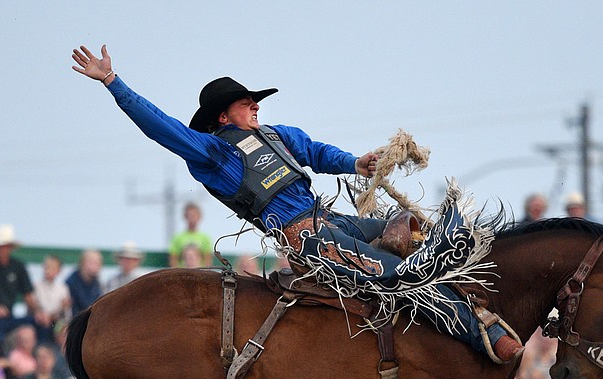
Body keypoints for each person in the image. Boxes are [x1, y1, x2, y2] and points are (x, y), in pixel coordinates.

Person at [70, 45, 522, 363]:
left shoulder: (277, 136)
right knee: (394, 273)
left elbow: (316, 152)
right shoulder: (215, 153)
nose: (254, 108)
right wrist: (113, 81)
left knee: (415, 230)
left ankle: (480, 300)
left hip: (333, 220)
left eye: (253, 103)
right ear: (223, 116)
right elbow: (162, 127)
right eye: (245, 104)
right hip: (305, 241)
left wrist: (356, 163)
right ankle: (482, 335)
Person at [31, 254, 71, 341]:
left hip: (56, 322)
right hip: (39, 322)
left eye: (52, 267)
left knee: (63, 329)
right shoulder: (36, 286)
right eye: (46, 267)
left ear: (58, 270)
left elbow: (65, 313)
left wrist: (52, 315)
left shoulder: (63, 288)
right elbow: (34, 306)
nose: (48, 270)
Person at [168, 202, 214, 268]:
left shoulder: (205, 238)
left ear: (199, 217)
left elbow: (208, 260)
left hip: (199, 273)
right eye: (190, 215)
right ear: (185, 216)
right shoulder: (177, 238)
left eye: (194, 215)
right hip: (182, 274)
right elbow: (173, 259)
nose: (192, 218)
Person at [65, 249, 105, 318]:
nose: (96, 266)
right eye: (92, 263)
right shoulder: (71, 282)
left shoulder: (97, 283)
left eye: (98, 263)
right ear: (82, 263)